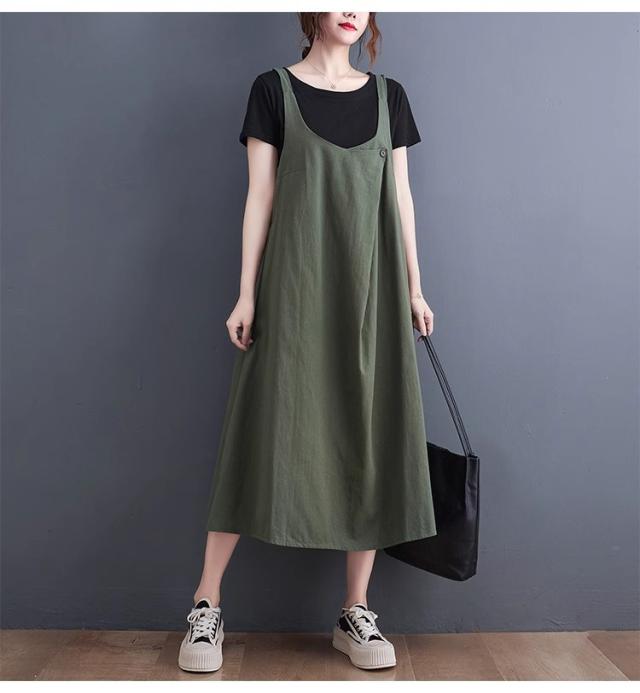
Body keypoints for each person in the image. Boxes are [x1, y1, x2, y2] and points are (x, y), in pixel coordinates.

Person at [178, 11, 437, 674]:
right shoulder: (272, 90)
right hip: (293, 288)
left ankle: (355, 609)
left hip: (373, 289)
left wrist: (414, 288)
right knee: (256, 431)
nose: (352, 8)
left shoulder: (390, 97)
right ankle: (206, 603)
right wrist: (246, 293)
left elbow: (402, 197)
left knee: (370, 435)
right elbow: (259, 197)